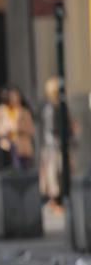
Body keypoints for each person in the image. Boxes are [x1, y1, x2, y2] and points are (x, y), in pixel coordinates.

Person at [37, 77, 77, 215]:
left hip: (58, 145)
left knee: (62, 173)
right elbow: (51, 129)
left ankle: (60, 201)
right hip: (53, 147)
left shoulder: (60, 105)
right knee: (55, 174)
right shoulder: (50, 107)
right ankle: (56, 202)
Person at [0, 87, 35, 171]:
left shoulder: (24, 111)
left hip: (22, 148)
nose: (15, 99)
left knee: (24, 173)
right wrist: (5, 130)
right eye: (12, 96)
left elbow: (31, 129)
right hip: (5, 148)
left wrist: (20, 128)